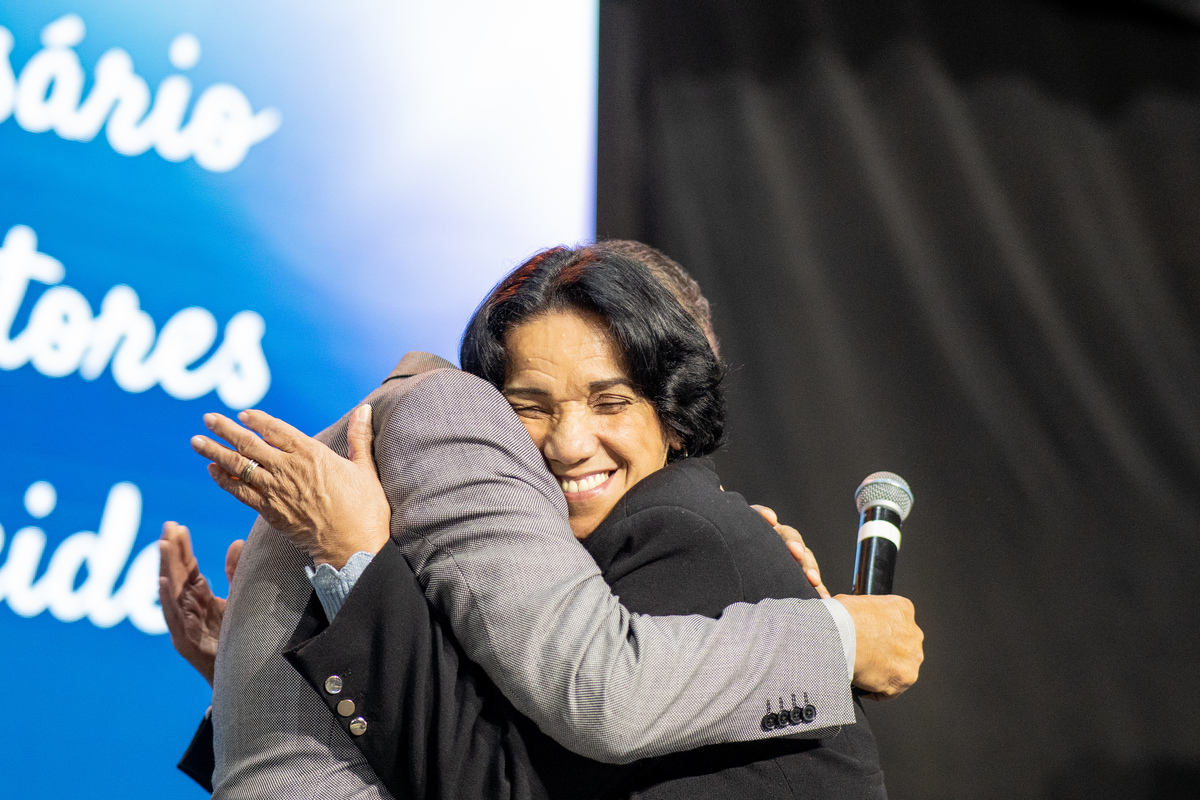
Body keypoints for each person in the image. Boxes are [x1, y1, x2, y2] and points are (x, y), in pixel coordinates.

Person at [162, 242, 923, 798]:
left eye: (611, 400)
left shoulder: (682, 531)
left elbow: (503, 767)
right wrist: (261, 660)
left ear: (678, 413)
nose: (567, 442)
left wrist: (355, 557)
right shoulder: (562, 566)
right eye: (529, 407)